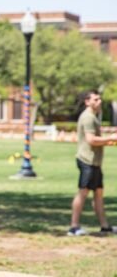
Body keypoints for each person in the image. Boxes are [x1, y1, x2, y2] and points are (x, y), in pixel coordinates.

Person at [68, 90, 117, 236]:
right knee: (83, 192)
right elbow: (91, 140)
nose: (99, 101)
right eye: (95, 99)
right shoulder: (88, 117)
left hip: (95, 162)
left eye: (100, 99)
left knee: (98, 193)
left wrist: (110, 141)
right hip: (87, 161)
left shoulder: (94, 117)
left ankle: (104, 226)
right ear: (87, 102)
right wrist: (111, 139)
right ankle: (74, 227)